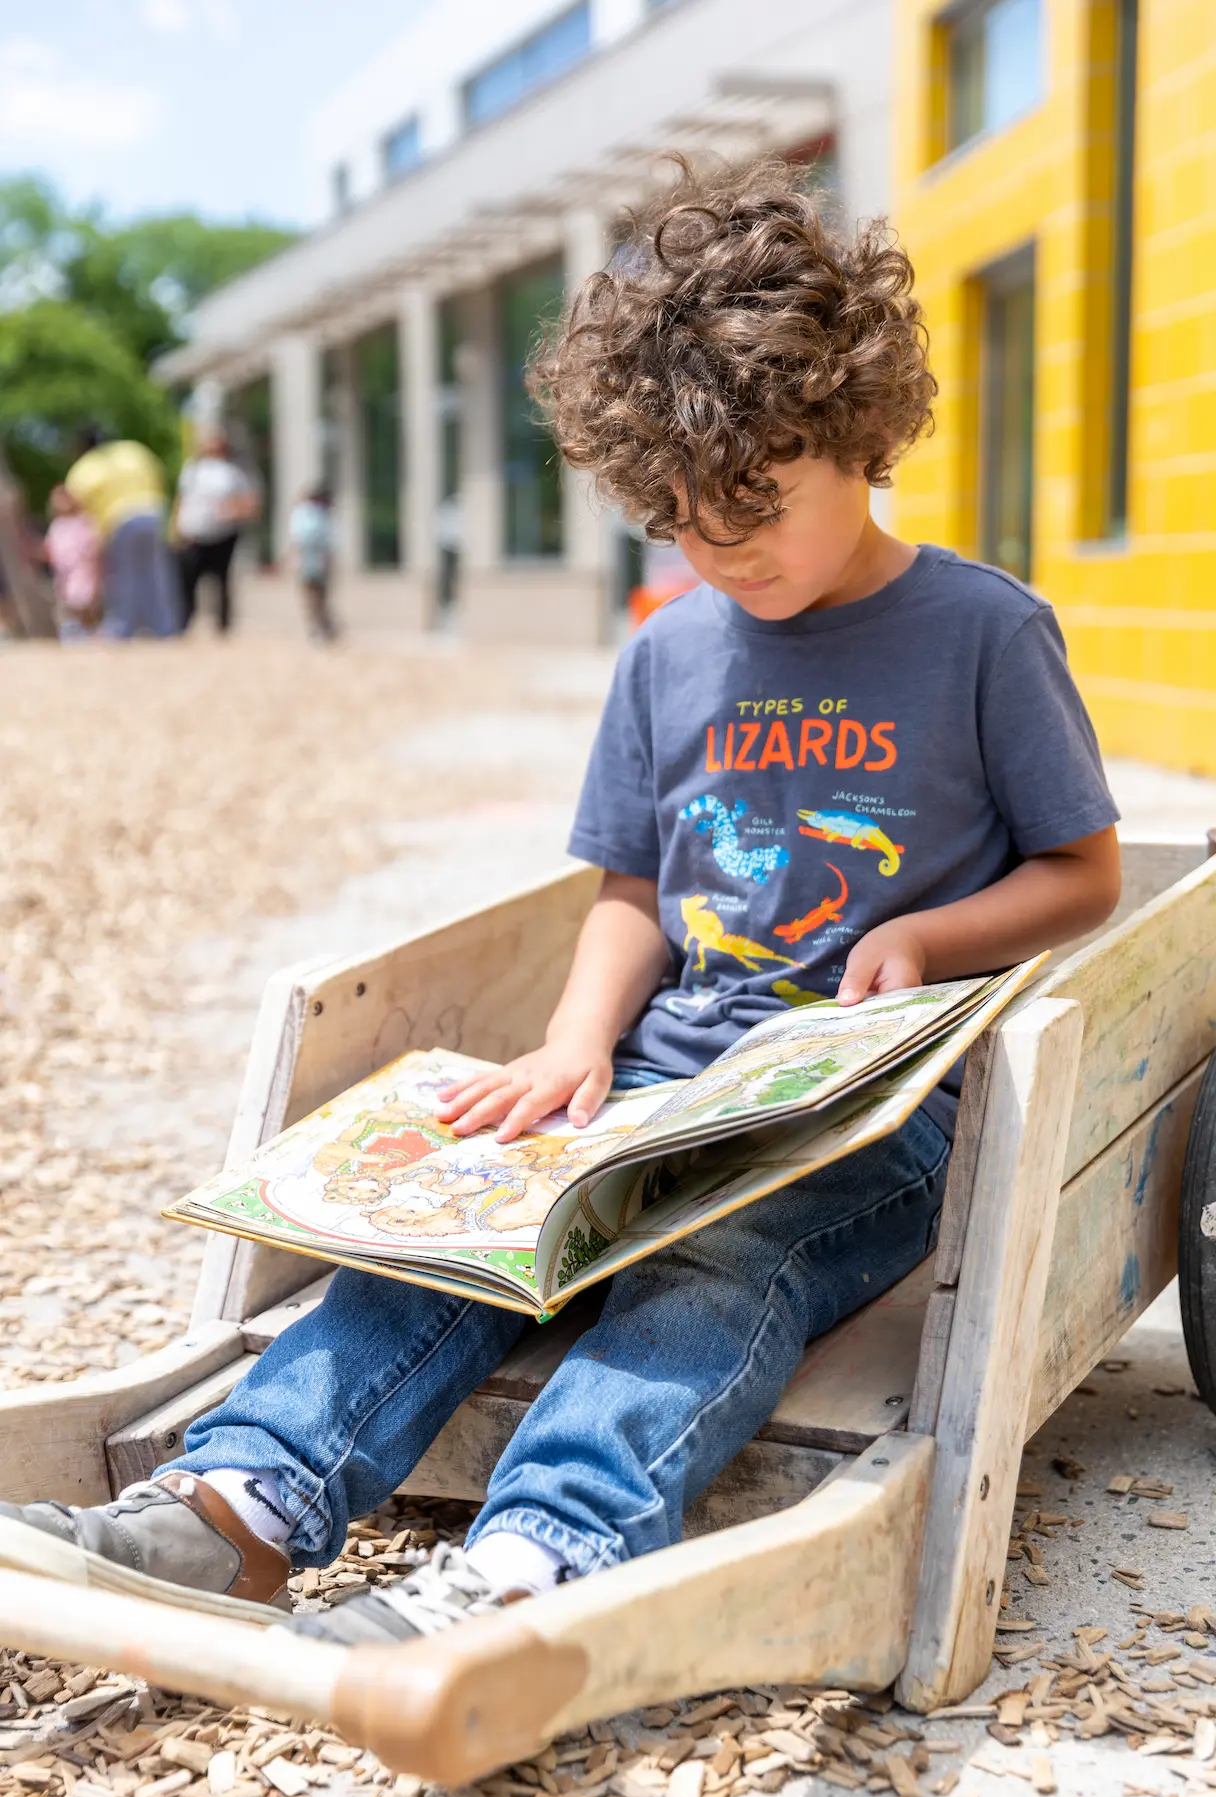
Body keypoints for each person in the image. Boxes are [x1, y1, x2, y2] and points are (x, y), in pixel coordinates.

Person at [0, 161, 1122, 1636]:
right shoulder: (670, 653)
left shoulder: (982, 631)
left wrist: (923, 934)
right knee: (458, 1237)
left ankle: (537, 1559)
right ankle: (239, 1506)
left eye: (756, 507)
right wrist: (575, 1041)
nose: (723, 551)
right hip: (663, 1083)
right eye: (683, 522)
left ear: (859, 431)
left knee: (720, 1271)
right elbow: (634, 889)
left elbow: (1085, 875)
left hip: (872, 1116)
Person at [64, 435, 180, 638]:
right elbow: (158, 475)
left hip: (119, 520)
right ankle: (165, 627)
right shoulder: (133, 450)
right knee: (156, 574)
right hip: (153, 512)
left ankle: (122, 627)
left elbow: (75, 505)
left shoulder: (86, 466)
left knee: (122, 576)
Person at [173, 431, 258, 634]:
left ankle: (223, 624)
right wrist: (176, 527)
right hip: (195, 533)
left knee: (221, 581)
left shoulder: (232, 472)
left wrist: (232, 512)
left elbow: (248, 502)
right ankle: (185, 620)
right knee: (188, 580)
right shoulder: (192, 470)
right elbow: (182, 500)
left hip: (222, 534)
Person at [43, 485, 102, 640]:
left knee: (85, 605)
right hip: (63, 575)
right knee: (68, 607)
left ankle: (89, 634)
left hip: (82, 571)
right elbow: (50, 550)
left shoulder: (84, 521)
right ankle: (75, 636)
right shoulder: (56, 525)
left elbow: (93, 548)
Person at [288, 483, 339, 641]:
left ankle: (320, 625)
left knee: (314, 594)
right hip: (312, 557)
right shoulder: (313, 513)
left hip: (312, 558)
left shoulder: (306, 512)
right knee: (315, 594)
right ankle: (321, 625)